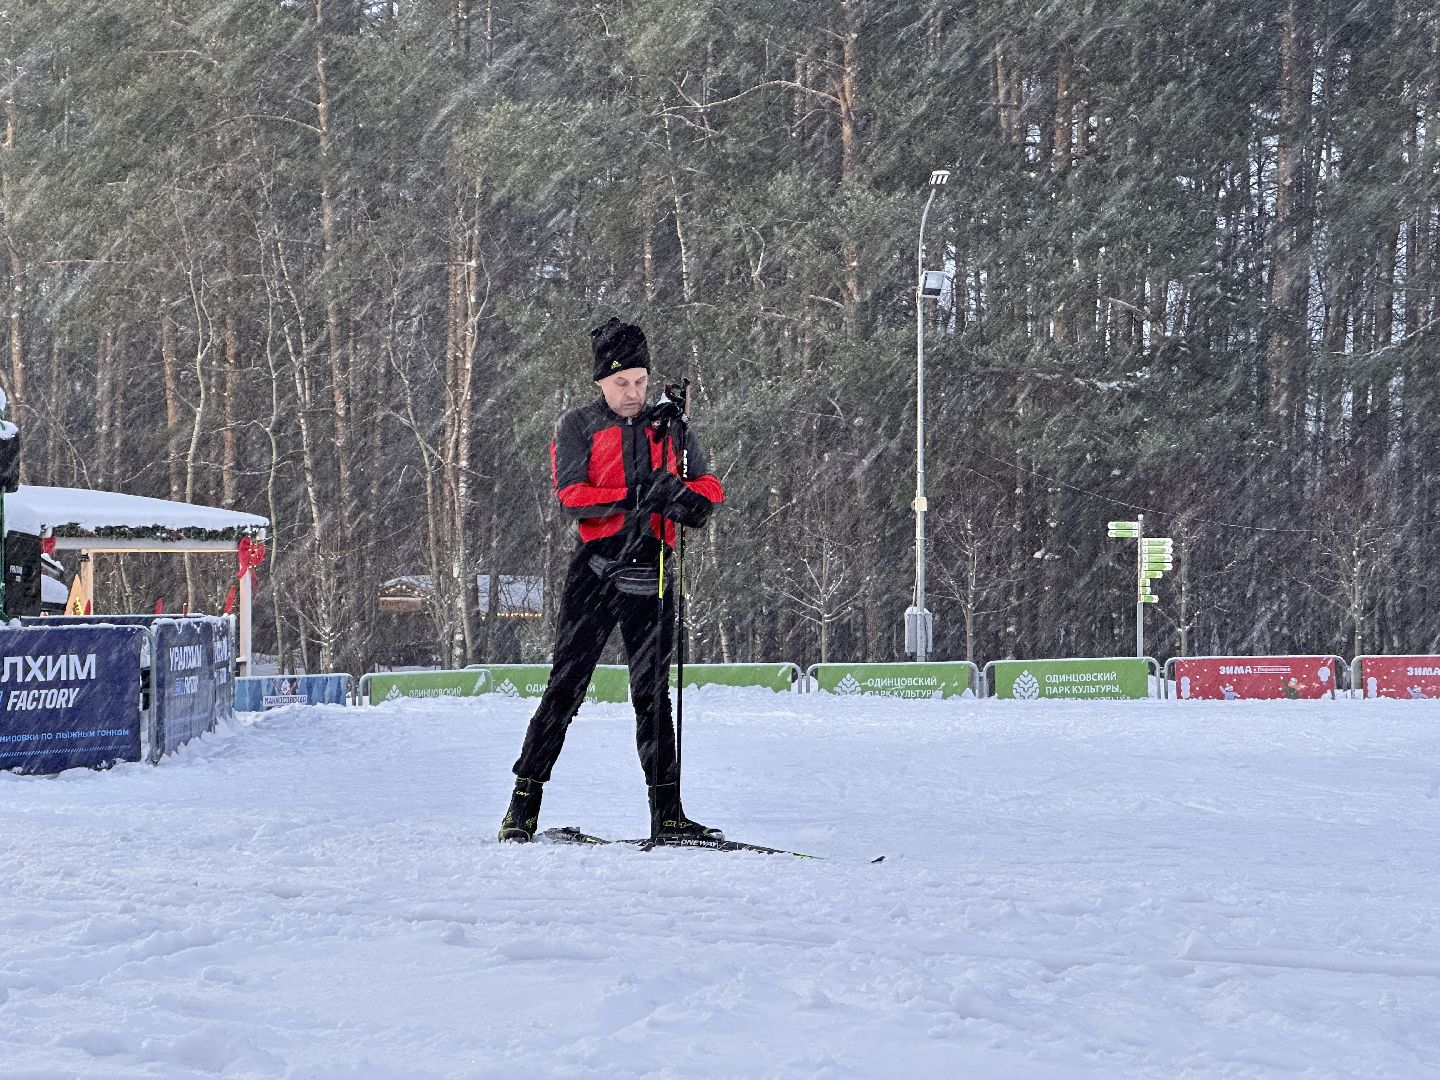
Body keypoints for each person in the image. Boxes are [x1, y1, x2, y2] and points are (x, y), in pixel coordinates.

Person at [499, 317, 725, 843]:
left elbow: (709, 486)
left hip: (655, 567)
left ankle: (667, 813)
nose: (633, 393)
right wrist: (635, 496)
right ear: (601, 382)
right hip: (595, 571)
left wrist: (685, 498)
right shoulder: (577, 425)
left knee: (652, 695)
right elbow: (570, 497)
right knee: (565, 688)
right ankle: (522, 803)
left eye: (641, 382)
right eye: (622, 383)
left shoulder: (671, 428)